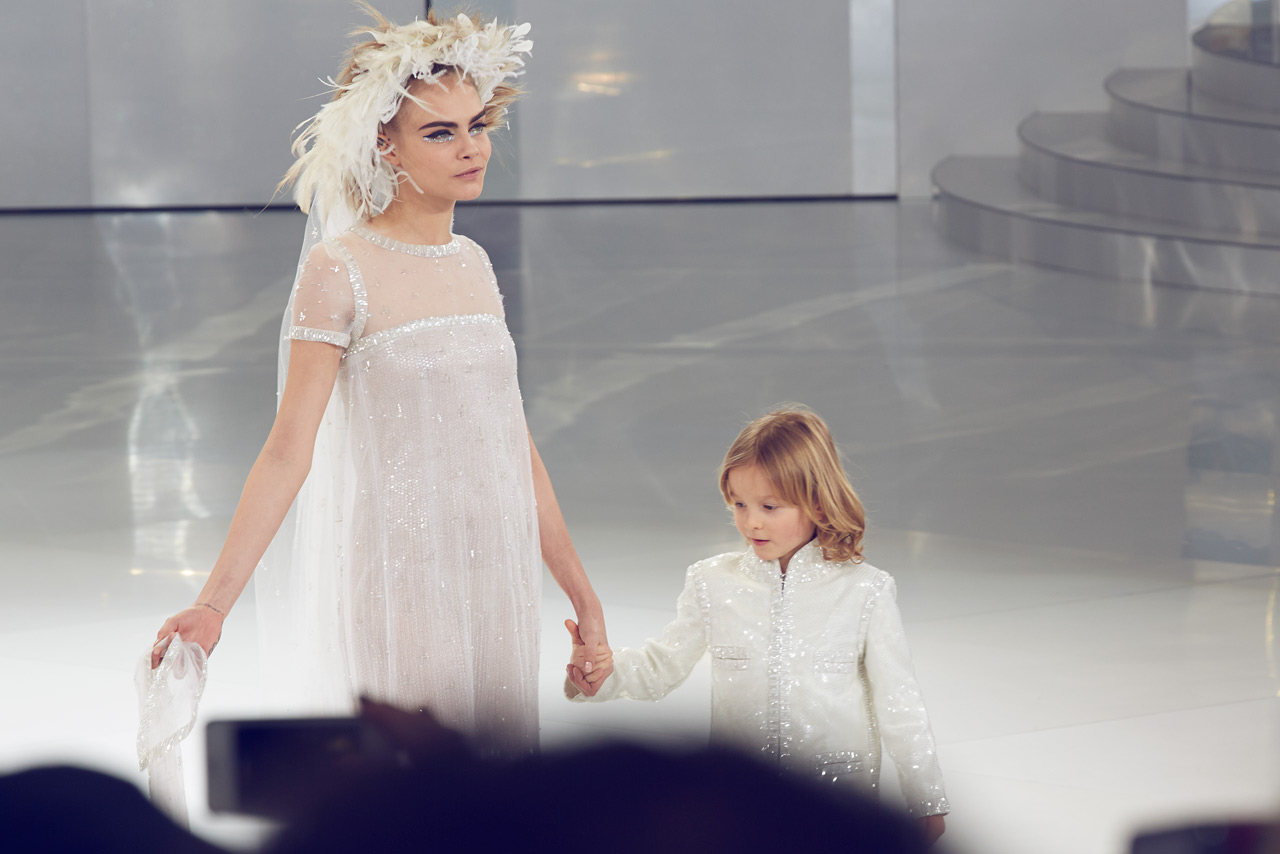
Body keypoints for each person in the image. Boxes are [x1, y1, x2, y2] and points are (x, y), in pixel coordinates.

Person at [150, 7, 611, 756]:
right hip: (402, 578)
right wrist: (213, 605)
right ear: (383, 145)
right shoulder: (340, 269)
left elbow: (514, 447)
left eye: (478, 126)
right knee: (418, 782)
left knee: (494, 785)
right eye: (440, 132)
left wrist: (581, 595)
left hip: (495, 574)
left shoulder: (474, 264)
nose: (472, 148)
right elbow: (287, 452)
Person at [565, 407, 949, 845]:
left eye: (769, 506)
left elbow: (898, 701)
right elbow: (662, 666)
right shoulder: (712, 582)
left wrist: (926, 796)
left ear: (818, 502)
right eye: (739, 504)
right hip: (741, 800)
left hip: (834, 799)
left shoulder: (866, 590)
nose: (752, 521)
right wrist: (603, 673)